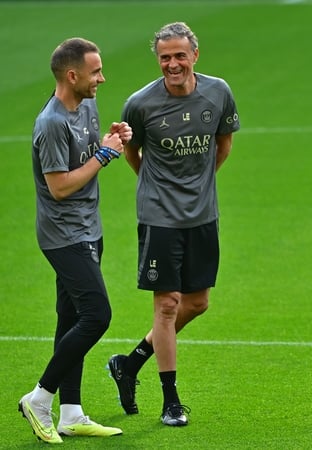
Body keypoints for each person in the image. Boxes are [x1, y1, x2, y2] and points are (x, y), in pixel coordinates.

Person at [106, 21, 240, 426]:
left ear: (195, 55)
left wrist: (196, 187)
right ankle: (170, 401)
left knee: (198, 303)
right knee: (167, 305)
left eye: (180, 55)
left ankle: (129, 364)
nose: (173, 64)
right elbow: (132, 154)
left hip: (202, 215)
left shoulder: (218, 92)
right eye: (165, 57)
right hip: (159, 216)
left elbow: (224, 145)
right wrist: (157, 188)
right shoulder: (140, 104)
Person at [20, 37, 131, 444]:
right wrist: (103, 155)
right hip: (63, 235)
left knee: (70, 319)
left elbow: (87, 149)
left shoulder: (86, 105)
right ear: (73, 75)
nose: (102, 77)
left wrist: (113, 138)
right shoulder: (50, 123)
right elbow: (60, 187)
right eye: (96, 71)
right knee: (97, 315)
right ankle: (40, 398)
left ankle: (70, 413)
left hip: (89, 227)